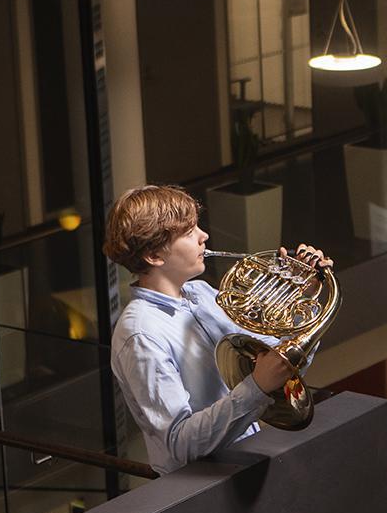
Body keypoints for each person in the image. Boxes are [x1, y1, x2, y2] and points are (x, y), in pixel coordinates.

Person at [102, 183, 332, 474]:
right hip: (204, 494)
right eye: (188, 232)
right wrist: (257, 387)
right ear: (154, 256)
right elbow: (180, 444)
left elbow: (279, 362)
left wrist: (302, 292)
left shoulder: (201, 293)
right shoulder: (140, 335)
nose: (204, 236)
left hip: (251, 461)